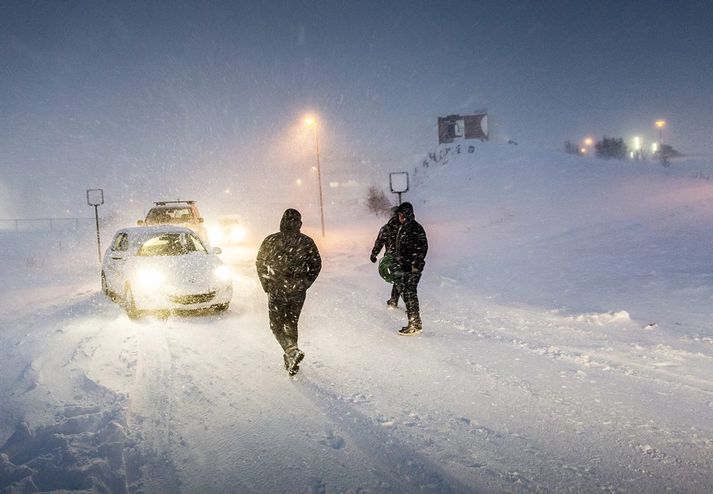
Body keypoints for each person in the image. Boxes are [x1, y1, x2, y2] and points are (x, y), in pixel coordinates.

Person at [256, 209, 322, 375]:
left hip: (277, 289)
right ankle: (291, 356)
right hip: (297, 291)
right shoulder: (306, 242)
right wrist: (305, 283)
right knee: (291, 323)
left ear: (282, 222)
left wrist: (267, 283)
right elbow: (316, 265)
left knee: (276, 325)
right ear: (299, 224)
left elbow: (259, 262)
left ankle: (291, 352)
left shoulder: (271, 240)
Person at [393, 202, 428, 335]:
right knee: (407, 293)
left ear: (405, 215)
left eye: (401, 215)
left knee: (410, 293)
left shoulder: (415, 228)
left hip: (413, 268)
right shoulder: (404, 227)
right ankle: (414, 322)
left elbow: (422, 248)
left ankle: (415, 324)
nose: (399, 217)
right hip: (405, 266)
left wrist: (415, 264)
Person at [370, 206, 401, 308]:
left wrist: (374, 254)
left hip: (391, 258)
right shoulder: (404, 227)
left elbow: (379, 242)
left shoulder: (387, 228)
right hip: (404, 257)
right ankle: (397, 300)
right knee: (401, 279)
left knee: (398, 279)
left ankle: (394, 300)